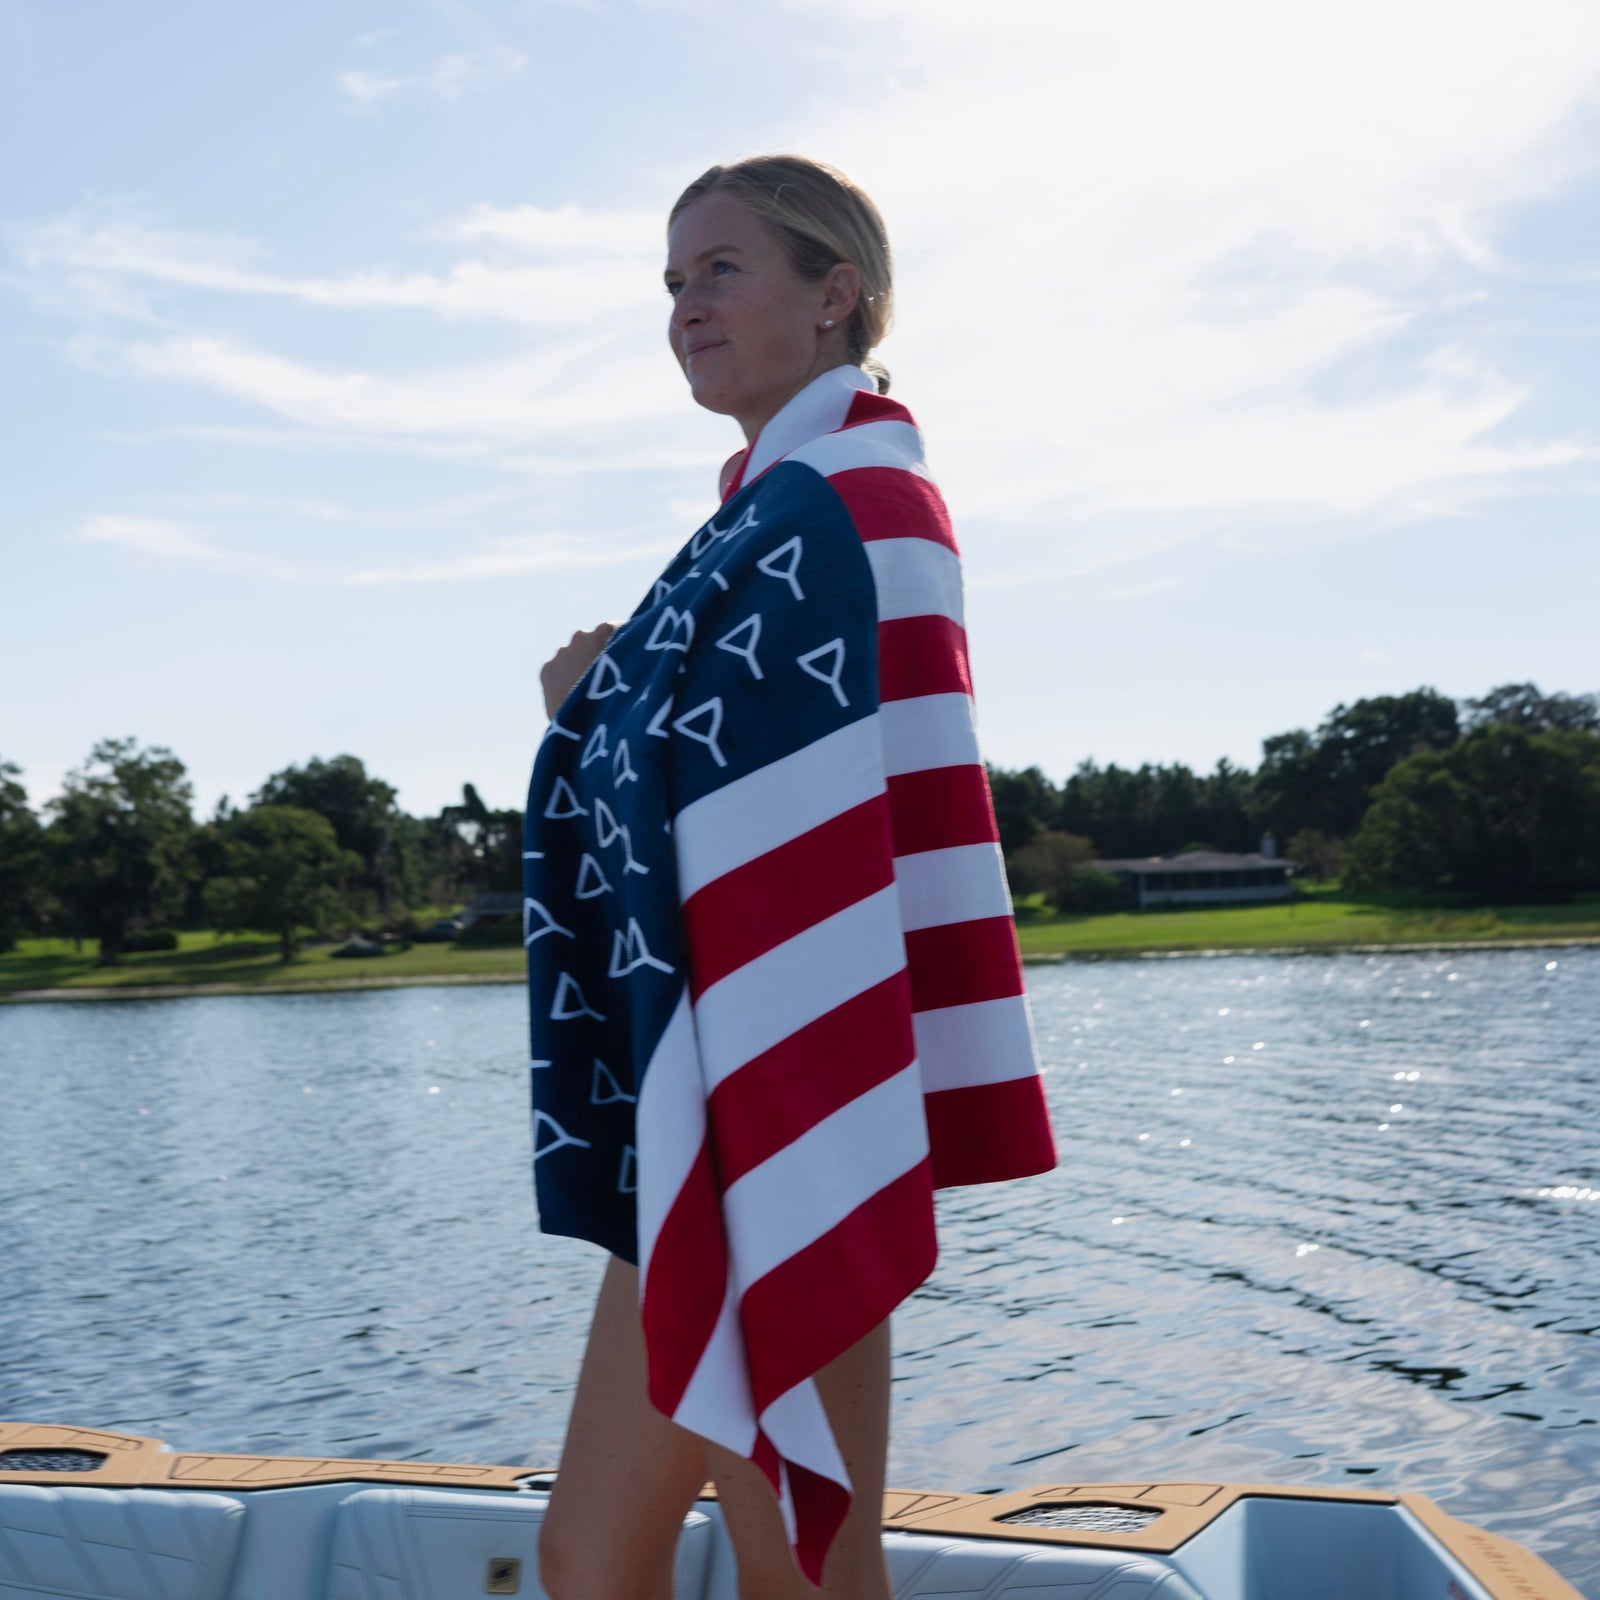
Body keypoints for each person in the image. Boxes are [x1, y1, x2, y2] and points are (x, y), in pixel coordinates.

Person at [525, 156, 1056, 1600]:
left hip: (797, 1101)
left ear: (836, 298)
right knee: (587, 1561)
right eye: (673, 283)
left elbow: (819, 816)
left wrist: (596, 700)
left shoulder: (861, 500)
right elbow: (728, 774)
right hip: (710, 1097)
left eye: (722, 271)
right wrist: (609, 701)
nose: (687, 307)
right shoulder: (767, 510)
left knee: (804, 1569)